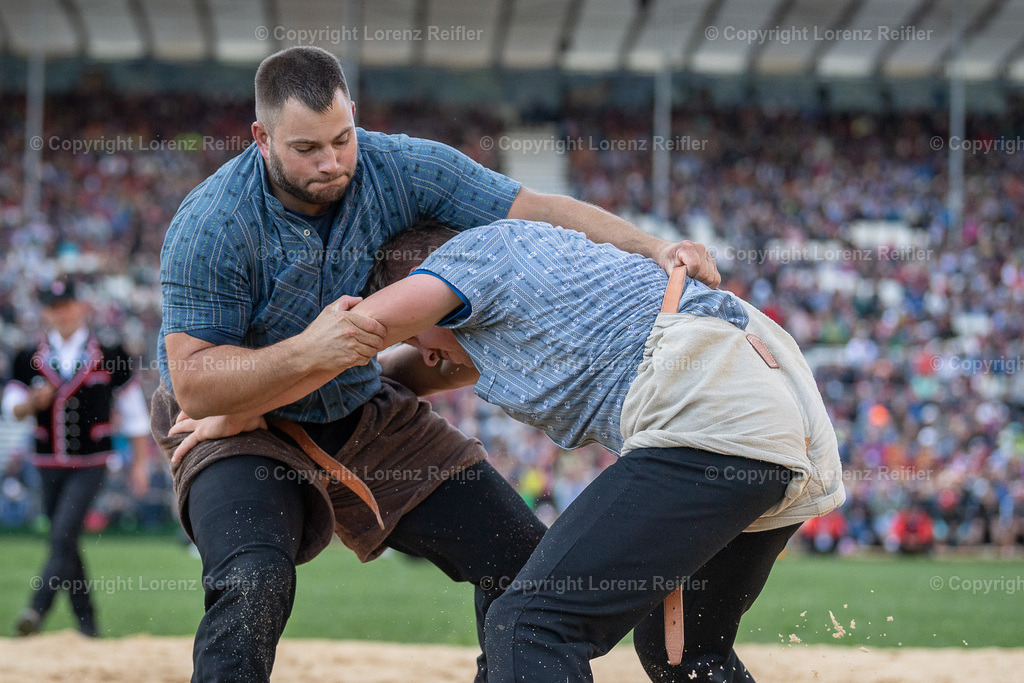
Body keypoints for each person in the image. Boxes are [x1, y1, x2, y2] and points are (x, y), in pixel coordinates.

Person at [155, 46, 720, 682]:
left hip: (355, 402)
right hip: (227, 425)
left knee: (523, 566)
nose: (332, 162)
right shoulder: (213, 222)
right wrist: (301, 360)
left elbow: (539, 212)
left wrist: (654, 246)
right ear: (261, 138)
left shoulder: (398, 165)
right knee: (252, 578)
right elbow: (195, 383)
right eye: (306, 149)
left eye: (342, 139)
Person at [175, 218, 845, 682]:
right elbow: (412, 368)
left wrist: (239, 407)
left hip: (713, 412)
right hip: (782, 407)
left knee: (529, 624)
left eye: (424, 330)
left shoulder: (467, 263)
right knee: (682, 651)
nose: (428, 349)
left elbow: (362, 330)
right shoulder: (542, 274)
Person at [2, 278, 152, 637]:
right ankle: (89, 625)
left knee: (62, 533)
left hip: (92, 461)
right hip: (47, 460)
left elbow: (133, 415)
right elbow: (12, 405)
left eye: (67, 305)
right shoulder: (27, 356)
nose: (62, 313)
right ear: (45, 313)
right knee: (65, 540)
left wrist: (140, 463)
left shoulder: (111, 353)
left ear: (81, 307)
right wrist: (29, 405)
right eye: (54, 307)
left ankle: (36, 609)